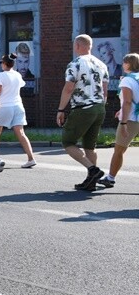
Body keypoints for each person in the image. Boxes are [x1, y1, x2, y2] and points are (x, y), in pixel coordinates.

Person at [55, 34, 110, 192]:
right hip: (100, 107)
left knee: (68, 141)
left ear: (78, 46)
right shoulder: (101, 64)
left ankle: (93, 170)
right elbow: (105, 90)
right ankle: (91, 181)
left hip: (83, 107)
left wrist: (61, 110)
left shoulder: (75, 63)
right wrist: (101, 105)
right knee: (89, 146)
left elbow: (69, 88)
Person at [0, 54, 37, 168]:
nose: (1, 64)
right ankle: (31, 158)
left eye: (1, 63)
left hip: (4, 107)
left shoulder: (1, 75)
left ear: (4, 64)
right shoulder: (17, 75)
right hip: (18, 106)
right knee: (21, 133)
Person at [100, 52, 139, 188]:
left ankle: (110, 178)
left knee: (119, 150)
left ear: (128, 64)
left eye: (124, 62)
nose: (122, 64)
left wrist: (123, 122)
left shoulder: (127, 80)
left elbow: (127, 102)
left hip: (131, 119)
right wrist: (121, 110)